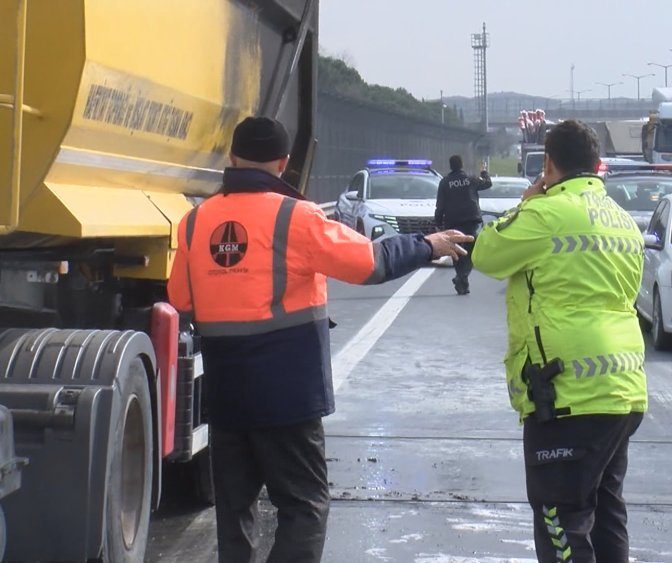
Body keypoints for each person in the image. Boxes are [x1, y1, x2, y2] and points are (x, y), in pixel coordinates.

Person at [166, 116, 472, 563]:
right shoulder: (297, 217)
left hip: (227, 396)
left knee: (234, 515)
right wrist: (428, 244)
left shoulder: (194, 223)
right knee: (304, 506)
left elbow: (181, 298)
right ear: (285, 163)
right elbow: (370, 263)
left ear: (231, 159)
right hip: (288, 396)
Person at [472, 120, 648, 563]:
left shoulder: (544, 213)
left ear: (547, 164)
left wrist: (527, 202)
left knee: (561, 518)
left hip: (569, 391)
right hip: (622, 391)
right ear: (595, 164)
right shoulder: (621, 218)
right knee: (606, 511)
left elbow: (486, 254)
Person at [435, 154, 492, 294]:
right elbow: (487, 183)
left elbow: (440, 206)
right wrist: (484, 171)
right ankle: (462, 278)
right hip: (472, 220)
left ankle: (462, 279)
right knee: (472, 251)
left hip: (453, 222)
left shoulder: (445, 182)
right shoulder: (470, 179)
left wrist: (438, 224)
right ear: (461, 165)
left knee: (457, 253)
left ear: (450, 166)